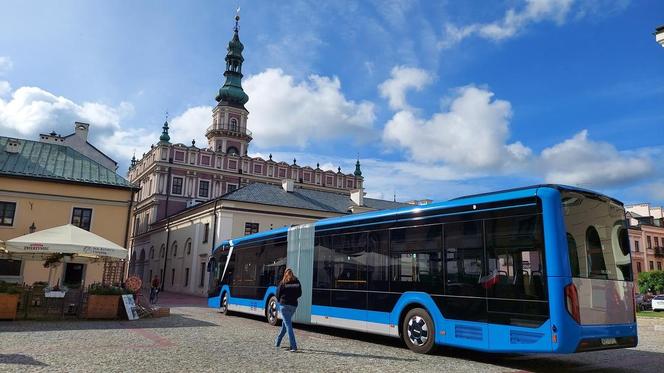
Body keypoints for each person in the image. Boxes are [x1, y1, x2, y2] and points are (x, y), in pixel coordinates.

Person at [274, 268, 302, 352]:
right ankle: (277, 342)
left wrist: (280, 301)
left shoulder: (283, 282)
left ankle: (293, 346)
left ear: (285, 274)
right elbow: (300, 293)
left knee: (288, 325)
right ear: (292, 273)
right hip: (293, 306)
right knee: (286, 324)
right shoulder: (297, 282)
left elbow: (277, 294)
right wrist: (293, 298)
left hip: (284, 305)